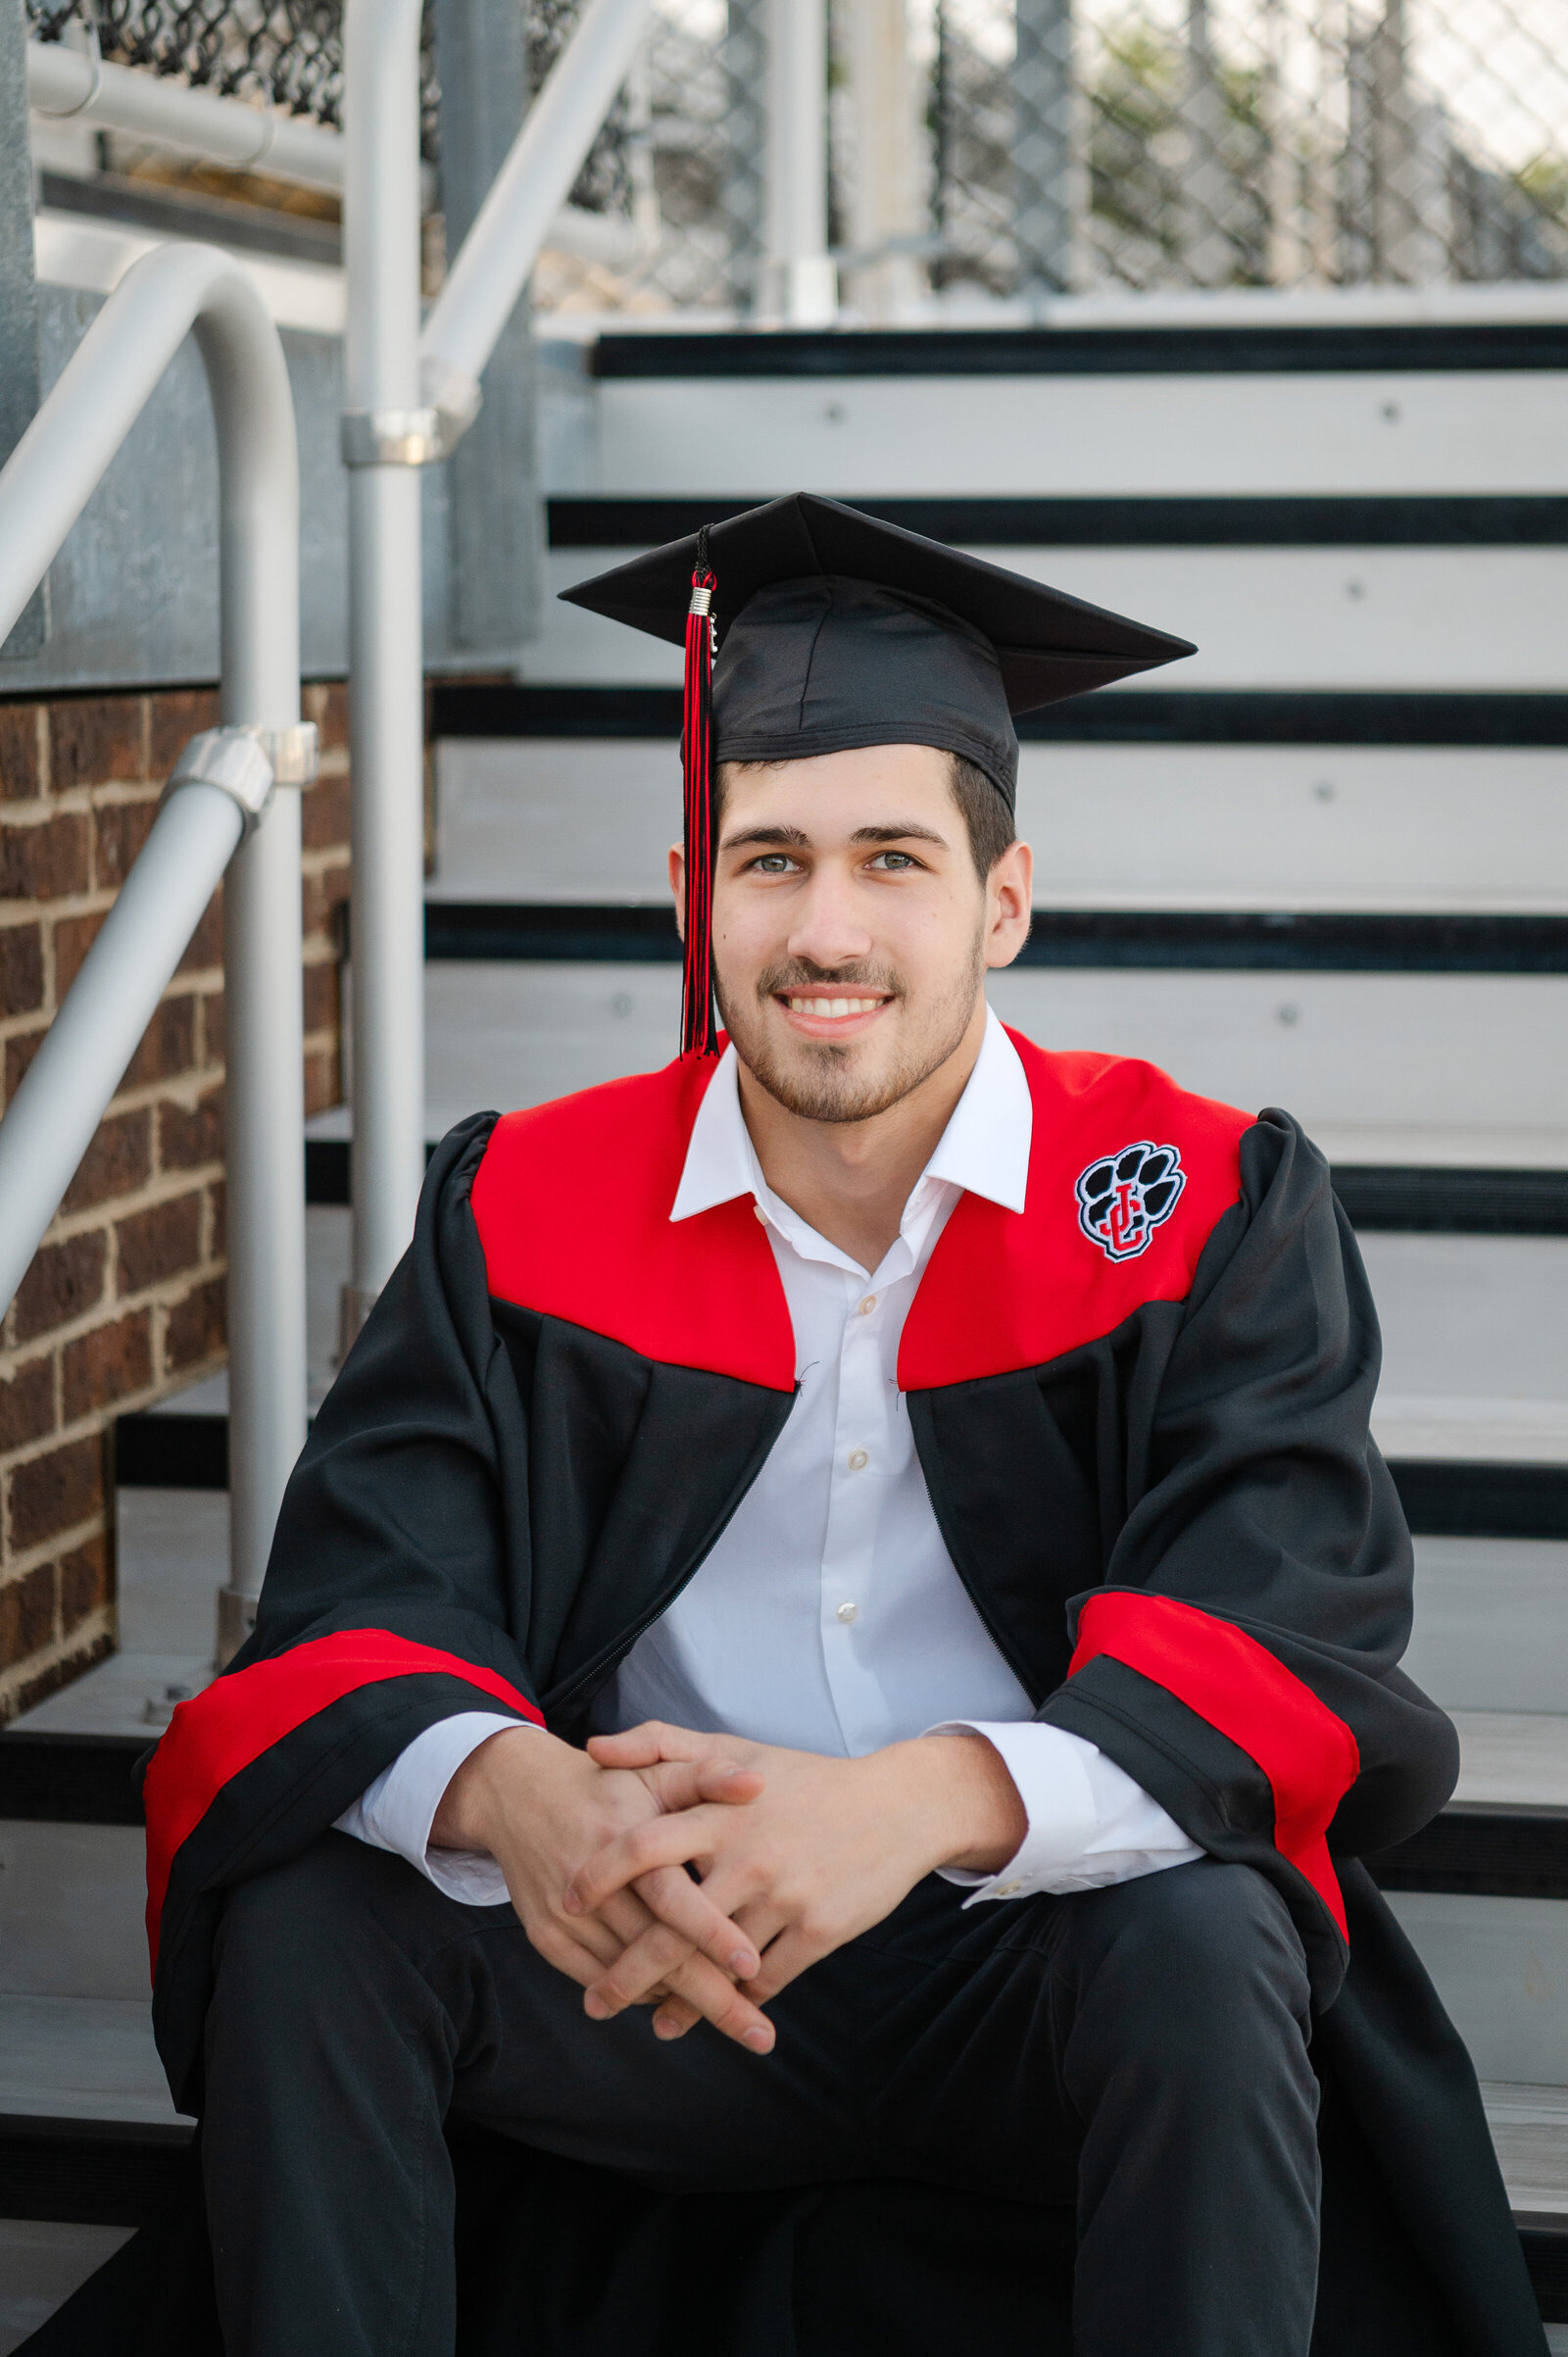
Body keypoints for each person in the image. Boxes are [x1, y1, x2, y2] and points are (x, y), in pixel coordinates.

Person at [117, 497, 1542, 2356]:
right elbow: (361, 1603)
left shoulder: (1199, 1204)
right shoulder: (526, 1209)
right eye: (770, 860)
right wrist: (518, 1794)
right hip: (640, 1957)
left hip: (1020, 1958)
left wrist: (910, 1809)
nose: (828, 926)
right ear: (698, 896)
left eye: (894, 858)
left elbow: (1280, 1643)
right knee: (315, 1914)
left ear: (1002, 901)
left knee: (1205, 1945)